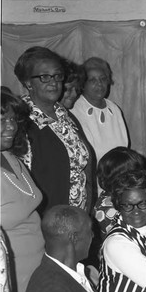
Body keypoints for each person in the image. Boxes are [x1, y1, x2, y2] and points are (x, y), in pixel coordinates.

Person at [13, 46, 96, 215]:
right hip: (46, 224)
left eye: (58, 76)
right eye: (44, 77)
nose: (53, 82)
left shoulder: (64, 115)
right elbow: (21, 185)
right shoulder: (21, 121)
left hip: (77, 220)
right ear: (28, 82)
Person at [0, 88, 48, 292]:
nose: (10, 126)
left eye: (13, 119)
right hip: (11, 283)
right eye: (0, 118)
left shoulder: (12, 158)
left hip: (38, 271)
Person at [71, 56, 129, 164]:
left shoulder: (114, 109)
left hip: (115, 174)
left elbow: (124, 148)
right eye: (92, 80)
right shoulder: (74, 110)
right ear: (83, 84)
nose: (99, 84)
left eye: (103, 79)